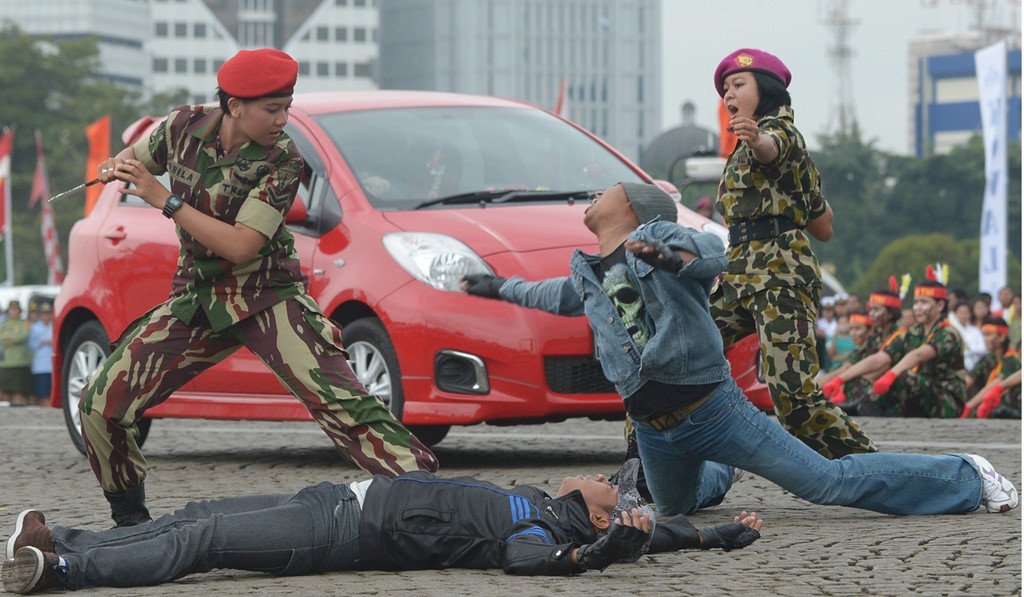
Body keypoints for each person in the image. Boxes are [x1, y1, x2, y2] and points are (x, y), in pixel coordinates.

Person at [460, 182, 1017, 520]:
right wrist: (495, 287)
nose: (592, 198)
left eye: (603, 191)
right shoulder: (589, 270)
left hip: (712, 410)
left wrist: (669, 255)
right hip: (654, 425)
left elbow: (711, 252)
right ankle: (724, 473)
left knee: (826, 482)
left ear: (630, 207)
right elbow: (550, 294)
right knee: (674, 508)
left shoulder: (660, 241)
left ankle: (966, 476)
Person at [84, 48, 438, 528]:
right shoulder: (181, 127)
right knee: (101, 405)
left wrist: (163, 199)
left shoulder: (283, 159)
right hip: (198, 298)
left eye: (287, 106)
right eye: (272, 109)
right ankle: (131, 525)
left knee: (345, 408)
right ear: (233, 106)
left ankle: (439, 503)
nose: (282, 119)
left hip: (267, 295)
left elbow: (241, 246)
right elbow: (131, 159)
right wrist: (116, 166)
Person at [0, 470, 764, 593]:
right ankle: (63, 534)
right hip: (340, 493)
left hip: (343, 529)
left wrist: (601, 552)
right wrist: (719, 533)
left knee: (203, 546)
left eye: (612, 488)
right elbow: (660, 532)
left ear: (596, 512)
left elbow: (530, 561)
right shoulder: (543, 498)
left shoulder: (541, 524)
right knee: (194, 516)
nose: (607, 477)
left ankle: (63, 571)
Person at [707, 48, 875, 458]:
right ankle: (648, 465)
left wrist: (758, 139)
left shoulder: (778, 133)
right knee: (679, 349)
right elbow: (824, 225)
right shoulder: (750, 148)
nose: (729, 94)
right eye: (725, 88)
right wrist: (802, 192)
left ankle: (874, 467)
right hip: (739, 270)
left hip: (779, 272)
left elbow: (772, 147)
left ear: (765, 90)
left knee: (793, 400)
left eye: (739, 85)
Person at [824, 279, 965, 418]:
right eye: (916, 302)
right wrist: (840, 379)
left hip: (946, 400)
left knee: (900, 375)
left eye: (923, 302)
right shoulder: (915, 331)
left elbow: (918, 355)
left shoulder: (948, 333)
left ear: (940, 306)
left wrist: (890, 375)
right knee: (867, 376)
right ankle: (864, 407)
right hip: (923, 393)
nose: (917, 307)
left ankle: (872, 407)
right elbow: (880, 358)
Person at [821, 288, 906, 416]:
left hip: (899, 391)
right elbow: (849, 365)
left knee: (855, 383)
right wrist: (813, 387)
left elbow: (881, 362)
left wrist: (840, 380)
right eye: (870, 309)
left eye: (876, 310)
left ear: (890, 313)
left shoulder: (900, 336)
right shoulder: (876, 337)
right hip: (880, 386)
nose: (871, 314)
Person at [961, 317, 1021, 419]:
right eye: (983, 335)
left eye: (988, 335)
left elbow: (995, 385)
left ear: (1001, 337)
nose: (984, 339)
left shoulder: (1012, 359)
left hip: (1010, 410)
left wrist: (969, 405)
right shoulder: (987, 358)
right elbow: (969, 379)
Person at [0, 301, 32, 407]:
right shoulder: (3, 324)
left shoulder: (24, 323)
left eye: (16, 309)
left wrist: (10, 338)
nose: (14, 312)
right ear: (8, 311)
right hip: (5, 363)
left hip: (20, 362)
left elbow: (23, 335)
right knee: (4, 391)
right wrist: (11, 338)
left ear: (19, 311)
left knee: (18, 391)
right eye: (12, 309)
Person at [26, 302, 54, 407]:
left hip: (52, 365)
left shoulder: (54, 326)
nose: (46, 316)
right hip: (40, 365)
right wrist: (43, 342)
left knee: (51, 392)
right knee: (42, 393)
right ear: (40, 315)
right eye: (44, 314)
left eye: (48, 313)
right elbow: (30, 345)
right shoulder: (34, 327)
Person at [950, 301, 986, 371]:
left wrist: (969, 349)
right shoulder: (952, 330)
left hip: (974, 367)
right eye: (961, 312)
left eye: (966, 312)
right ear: (955, 314)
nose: (963, 315)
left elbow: (983, 348)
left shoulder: (975, 331)